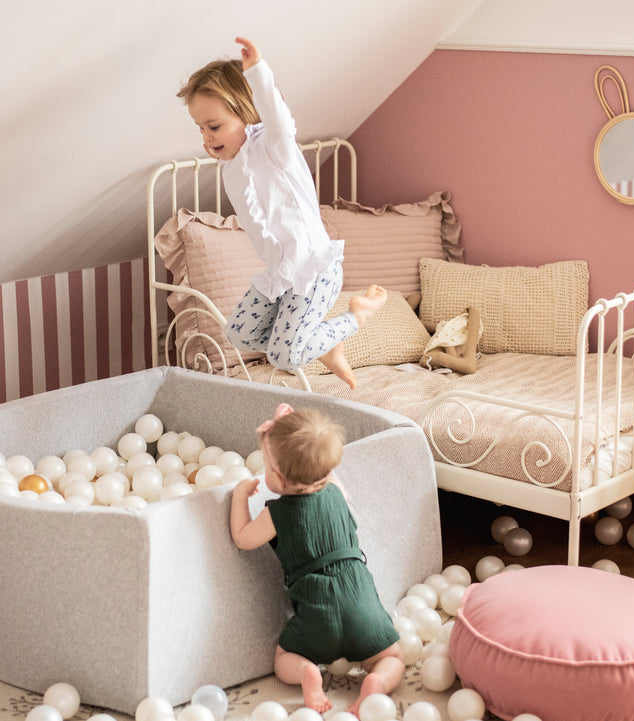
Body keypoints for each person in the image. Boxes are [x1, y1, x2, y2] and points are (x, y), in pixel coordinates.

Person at [177, 37, 386, 390]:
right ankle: (318, 342)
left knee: (285, 357)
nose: (206, 138)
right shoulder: (231, 167)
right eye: (200, 128)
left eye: (214, 126)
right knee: (239, 334)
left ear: (247, 113)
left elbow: (275, 114)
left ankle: (355, 317)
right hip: (280, 273)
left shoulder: (275, 147)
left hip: (313, 270)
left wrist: (257, 72)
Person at [229, 403, 404, 713]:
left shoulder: (276, 514)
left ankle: (308, 674)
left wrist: (240, 496)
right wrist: (292, 431)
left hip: (317, 616)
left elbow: (242, 538)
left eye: (268, 467)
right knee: (392, 658)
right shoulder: (337, 490)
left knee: (284, 661)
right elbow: (320, 465)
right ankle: (375, 684)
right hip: (361, 607)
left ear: (279, 479)